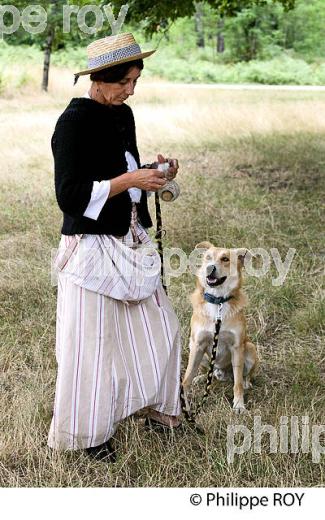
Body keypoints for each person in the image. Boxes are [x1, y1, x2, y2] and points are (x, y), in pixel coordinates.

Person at [47, 33, 182, 462]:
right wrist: (130, 181)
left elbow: (123, 172)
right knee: (93, 345)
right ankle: (89, 436)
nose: (131, 89)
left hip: (128, 239)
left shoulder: (123, 115)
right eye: (125, 81)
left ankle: (158, 412)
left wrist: (156, 174)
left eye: (136, 80)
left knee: (163, 330)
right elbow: (70, 195)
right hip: (91, 247)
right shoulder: (72, 124)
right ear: (101, 79)